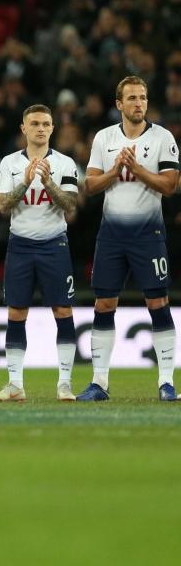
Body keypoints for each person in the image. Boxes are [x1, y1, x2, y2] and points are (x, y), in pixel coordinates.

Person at [79, 76, 179, 401]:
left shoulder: (163, 138)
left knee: (158, 303)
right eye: (132, 98)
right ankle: (99, 383)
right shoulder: (104, 138)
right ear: (119, 104)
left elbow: (169, 186)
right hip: (111, 236)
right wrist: (114, 171)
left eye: (143, 98)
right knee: (104, 303)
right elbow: (90, 186)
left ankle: (166, 382)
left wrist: (137, 169)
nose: (139, 104)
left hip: (148, 234)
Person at [0, 104, 80, 401]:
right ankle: (15, 384)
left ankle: (65, 384)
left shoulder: (66, 163)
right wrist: (26, 180)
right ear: (23, 128)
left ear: (52, 128)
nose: (41, 128)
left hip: (54, 244)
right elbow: (3, 206)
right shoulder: (9, 164)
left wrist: (47, 181)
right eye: (35, 123)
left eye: (46, 123)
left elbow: (70, 206)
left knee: (63, 311)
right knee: (16, 312)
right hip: (20, 245)